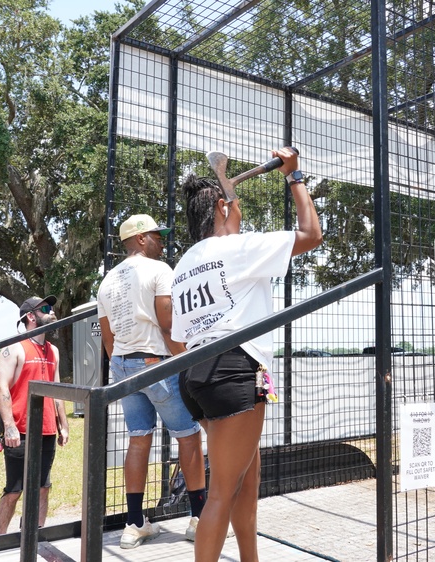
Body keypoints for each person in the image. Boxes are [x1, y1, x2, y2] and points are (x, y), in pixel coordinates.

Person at [173, 147, 322, 561]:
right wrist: (294, 176)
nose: (240, 214)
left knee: (244, 478)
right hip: (235, 370)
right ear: (222, 207)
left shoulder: (186, 263)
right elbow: (311, 234)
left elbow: (180, 335)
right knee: (221, 491)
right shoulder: (237, 248)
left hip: (195, 377)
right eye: (236, 205)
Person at [97, 214, 208, 549]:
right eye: (158, 236)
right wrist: (188, 360)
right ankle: (199, 519)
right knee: (188, 437)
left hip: (123, 366)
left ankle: (134, 524)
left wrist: (121, 367)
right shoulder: (160, 270)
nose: (163, 241)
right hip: (157, 362)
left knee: (138, 439)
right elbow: (167, 323)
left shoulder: (106, 282)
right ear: (142, 238)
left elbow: (107, 338)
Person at [0, 296, 69, 534]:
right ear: (30, 316)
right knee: (14, 490)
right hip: (20, 431)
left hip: (47, 430)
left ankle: (34, 536)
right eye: (46, 309)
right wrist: (9, 426)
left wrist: (63, 424)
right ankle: (0, 540)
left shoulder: (54, 351)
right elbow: (2, 387)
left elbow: (57, 389)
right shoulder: (14, 348)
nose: (52, 311)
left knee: (43, 487)